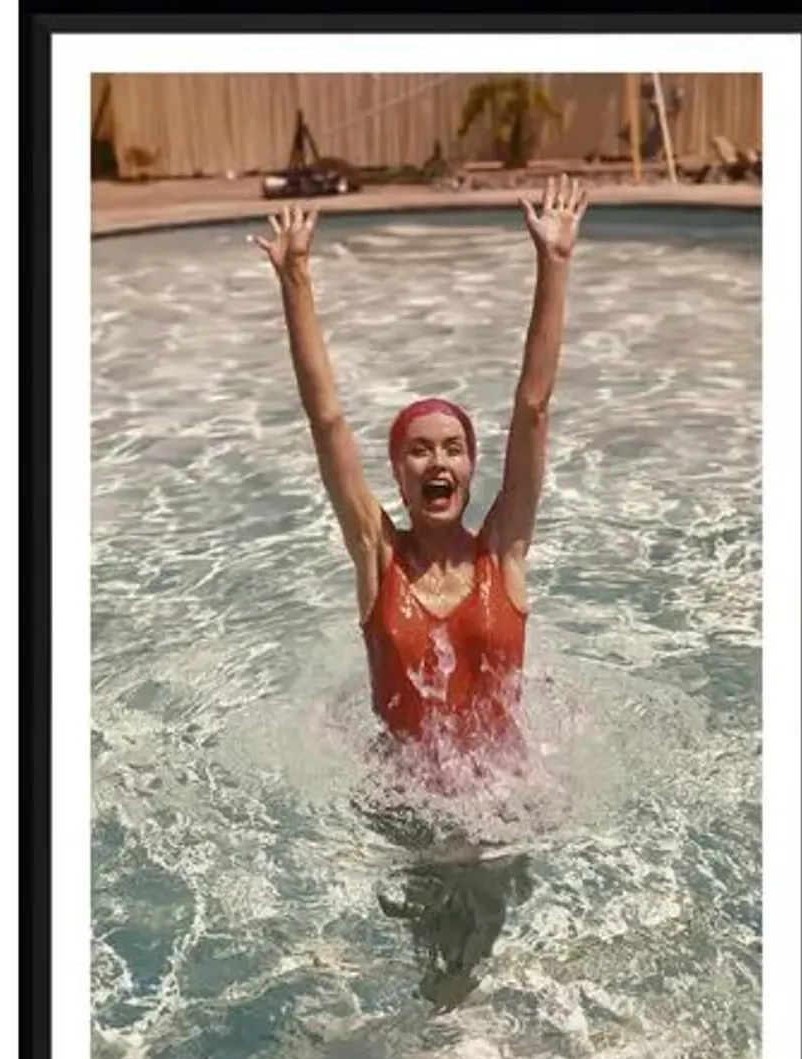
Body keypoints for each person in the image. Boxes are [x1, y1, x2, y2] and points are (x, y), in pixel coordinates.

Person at [253, 174, 590, 789]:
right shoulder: (377, 555)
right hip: (402, 817)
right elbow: (326, 420)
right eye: (419, 451)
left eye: (453, 449)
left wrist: (556, 264)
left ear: (470, 470)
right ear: (398, 477)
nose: (438, 461)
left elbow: (533, 406)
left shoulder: (502, 551)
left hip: (509, 809)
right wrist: (294, 278)